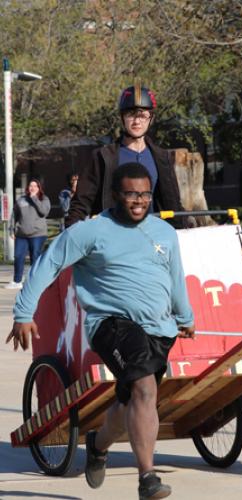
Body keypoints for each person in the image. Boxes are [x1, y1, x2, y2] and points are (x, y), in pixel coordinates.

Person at [6, 163, 195, 499]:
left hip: (159, 330)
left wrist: (185, 316)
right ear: (115, 195)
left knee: (130, 402)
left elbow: (174, 277)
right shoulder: (91, 232)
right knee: (145, 388)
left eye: (145, 194)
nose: (139, 200)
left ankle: (98, 443)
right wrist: (23, 313)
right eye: (130, 193)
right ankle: (147, 479)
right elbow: (48, 263)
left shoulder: (163, 232)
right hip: (111, 325)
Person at [65, 84, 184, 228]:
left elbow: (173, 202)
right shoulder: (103, 157)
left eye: (142, 116)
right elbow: (81, 204)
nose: (137, 121)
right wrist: (70, 234)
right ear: (122, 117)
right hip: (114, 237)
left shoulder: (162, 157)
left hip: (153, 237)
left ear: (151, 118)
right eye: (131, 115)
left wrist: (183, 230)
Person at [5, 179, 51, 290]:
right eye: (31, 186)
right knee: (18, 256)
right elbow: (14, 215)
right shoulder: (21, 200)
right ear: (28, 188)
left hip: (38, 234)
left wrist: (34, 198)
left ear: (39, 188)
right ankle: (17, 281)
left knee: (35, 256)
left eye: (35, 186)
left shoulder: (44, 199)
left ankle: (34, 281)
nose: (33, 188)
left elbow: (44, 212)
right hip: (22, 234)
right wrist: (11, 230)